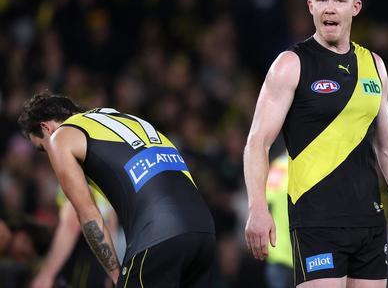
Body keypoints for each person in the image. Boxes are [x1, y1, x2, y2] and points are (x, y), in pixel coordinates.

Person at [244, 0, 388, 288]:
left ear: (355, 7)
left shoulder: (375, 66)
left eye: (339, 0)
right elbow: (257, 142)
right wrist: (257, 208)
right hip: (316, 222)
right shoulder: (291, 64)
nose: (330, 7)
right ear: (311, 6)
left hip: (369, 223)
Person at [18, 92, 216, 287]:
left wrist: (115, 275)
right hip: (204, 231)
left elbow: (89, 216)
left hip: (158, 236)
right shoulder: (128, 120)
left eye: (41, 148)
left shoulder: (61, 136)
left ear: (46, 127)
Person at [30, 188, 120, 288]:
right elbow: (112, 224)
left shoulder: (78, 174)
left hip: (83, 262)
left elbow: (71, 224)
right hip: (102, 260)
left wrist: (46, 275)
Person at [265, 153, 293, 288]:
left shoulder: (278, 167)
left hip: (279, 252)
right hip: (303, 253)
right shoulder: (316, 162)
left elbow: (266, 200)